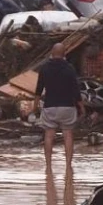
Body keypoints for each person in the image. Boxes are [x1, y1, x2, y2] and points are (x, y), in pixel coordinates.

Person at [34, 42, 84, 172]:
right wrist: (81, 106)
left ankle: (49, 165)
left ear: (51, 53)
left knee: (49, 135)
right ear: (64, 54)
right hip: (67, 107)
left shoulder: (44, 68)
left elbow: (39, 89)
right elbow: (76, 90)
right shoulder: (70, 68)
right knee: (68, 135)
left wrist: (35, 106)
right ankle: (68, 165)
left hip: (50, 106)